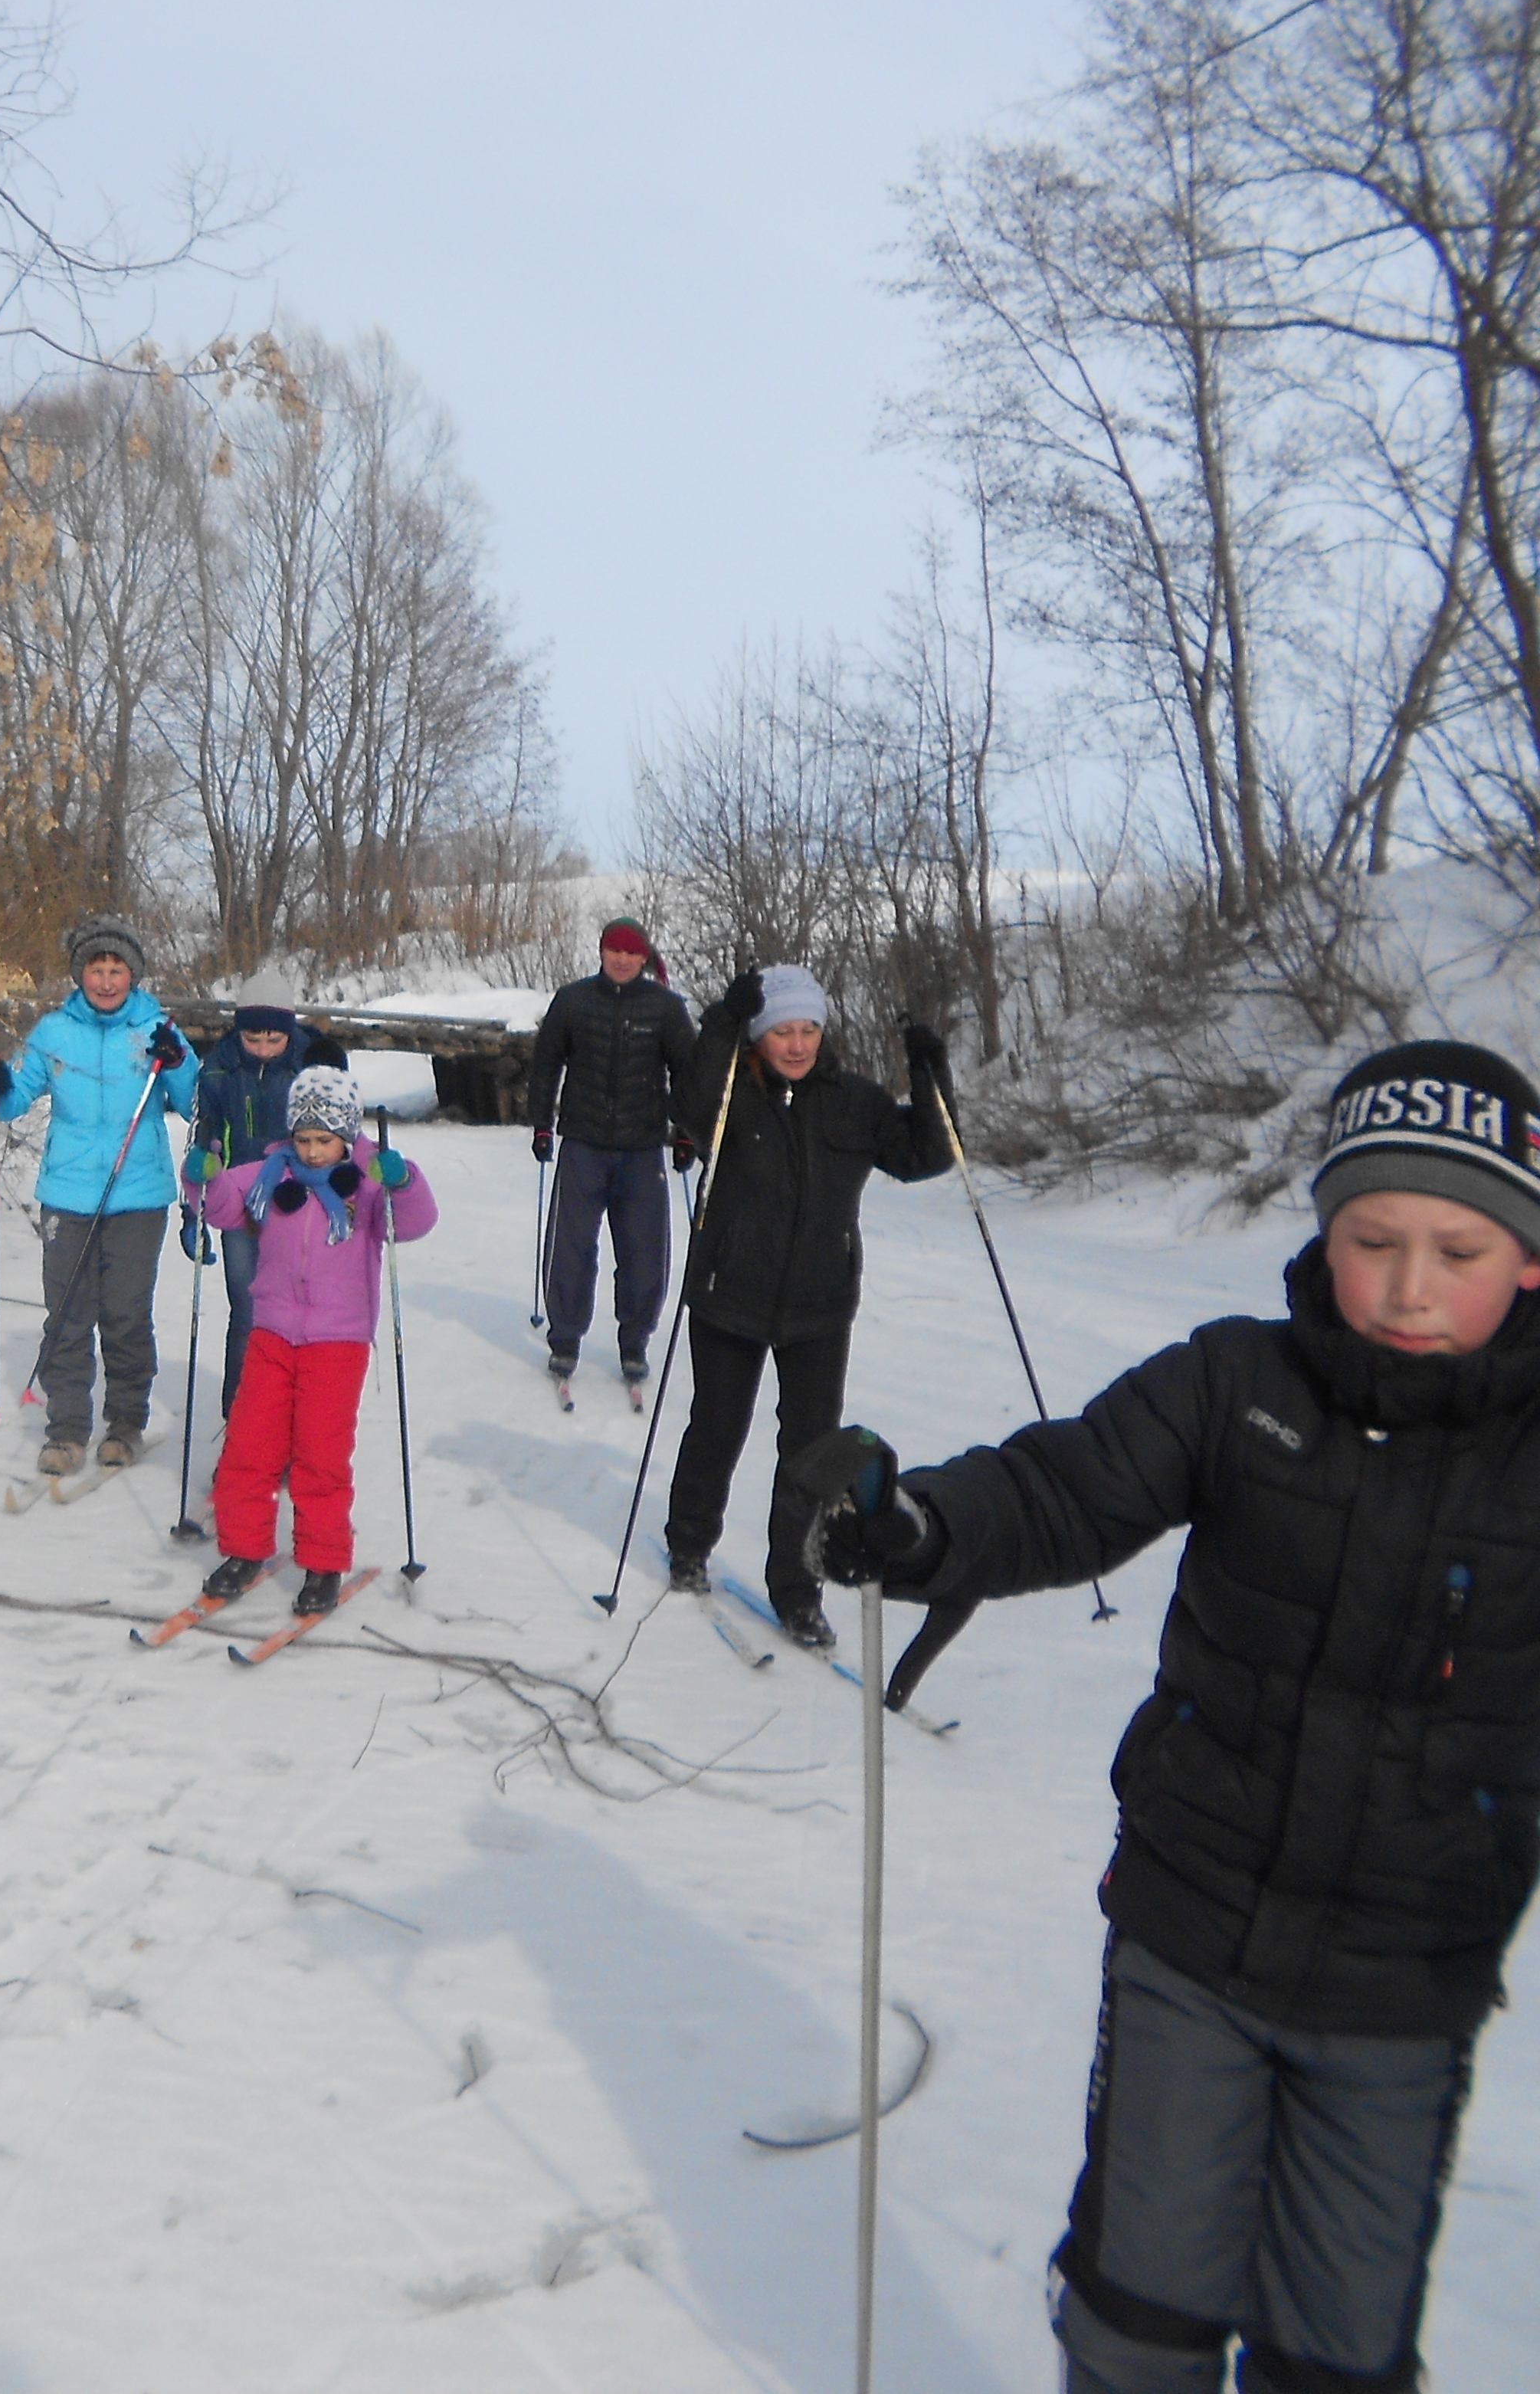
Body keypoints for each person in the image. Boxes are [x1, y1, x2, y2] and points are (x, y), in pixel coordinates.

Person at [798, 1038, 1540, 2394]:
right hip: (1193, 1935)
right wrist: (919, 1528)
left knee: (1342, 2357)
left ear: (1531, 1259)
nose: (1411, 1288)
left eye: (1462, 1250)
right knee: (1138, 2324)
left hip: (1406, 1981)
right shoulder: (1240, 1385)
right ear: (1326, 1228)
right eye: (1375, 1240)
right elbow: (1068, 1490)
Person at [657, 963, 949, 1646]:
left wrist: (930, 1070)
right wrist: (724, 1023)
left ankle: (798, 1589)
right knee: (717, 1429)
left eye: (807, 1030)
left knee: (813, 1455)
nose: (795, 1044)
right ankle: (689, 1547)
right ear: (760, 1038)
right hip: (729, 1295)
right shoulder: (732, 1095)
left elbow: (927, 1154)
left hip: (819, 1307)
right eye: (781, 1031)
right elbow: (690, 1106)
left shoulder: (857, 1101)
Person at [188, 1066, 437, 1618]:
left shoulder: (368, 1182)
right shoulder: (274, 1172)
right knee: (249, 1447)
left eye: (323, 1140)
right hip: (273, 1333)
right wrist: (203, 1178)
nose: (312, 1150)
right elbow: (224, 1203)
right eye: (303, 1139)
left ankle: (323, 1563)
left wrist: (404, 1183)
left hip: (337, 1342)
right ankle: (243, 1550)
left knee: (320, 1457)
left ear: (346, 1136)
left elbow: (414, 1223)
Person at [0, 913, 195, 1476]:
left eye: (117, 969)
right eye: (97, 968)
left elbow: (196, 1102)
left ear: (133, 974)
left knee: (124, 1314)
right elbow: (15, 1098)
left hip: (138, 1196)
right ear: (81, 973)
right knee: (67, 1313)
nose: (107, 980)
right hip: (68, 1194)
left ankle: (124, 1423)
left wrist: (180, 1060)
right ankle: (67, 1430)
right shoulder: (52, 1032)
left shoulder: (155, 1029)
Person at [524, 915, 699, 1395]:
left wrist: (686, 1136)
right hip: (583, 1144)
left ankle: (635, 1340)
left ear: (644, 958)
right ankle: (565, 1338)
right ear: (601, 953)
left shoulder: (665, 1008)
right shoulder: (574, 1000)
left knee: (645, 1254)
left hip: (642, 1149)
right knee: (571, 1248)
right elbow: (546, 1064)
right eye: (613, 951)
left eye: (631, 952)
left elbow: (689, 1075)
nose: (622, 960)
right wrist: (542, 1122)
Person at [181, 968, 351, 1417]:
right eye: (252, 1039)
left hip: (300, 1200)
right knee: (249, 1309)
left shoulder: (310, 1063)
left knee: (296, 1310)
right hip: (240, 1201)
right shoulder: (217, 1067)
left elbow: (339, 1131)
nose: (262, 1049)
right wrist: (192, 1210)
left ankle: (294, 1420)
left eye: (273, 1039)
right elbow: (203, 1134)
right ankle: (240, 1422)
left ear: (289, 1031)